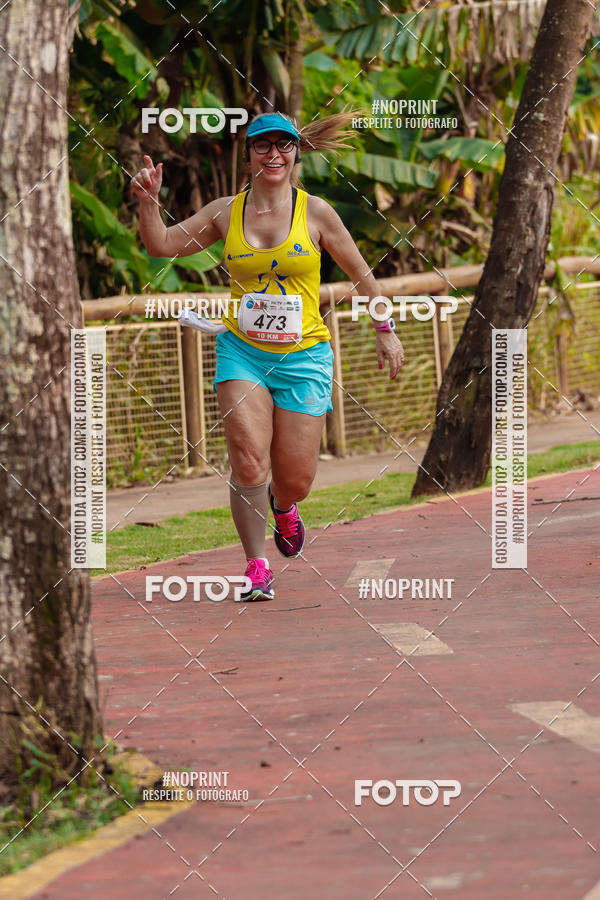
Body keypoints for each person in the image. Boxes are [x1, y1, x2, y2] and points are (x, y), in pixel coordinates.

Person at [131, 111, 405, 601]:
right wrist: (149, 204)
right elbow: (161, 245)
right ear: (249, 154)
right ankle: (256, 565)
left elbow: (363, 275)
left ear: (296, 153)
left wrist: (384, 328)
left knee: (295, 478)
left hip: (305, 356)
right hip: (243, 352)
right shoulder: (224, 212)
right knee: (248, 461)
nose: (273, 154)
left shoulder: (316, 213)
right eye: (262, 146)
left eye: (283, 145)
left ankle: (285, 506)